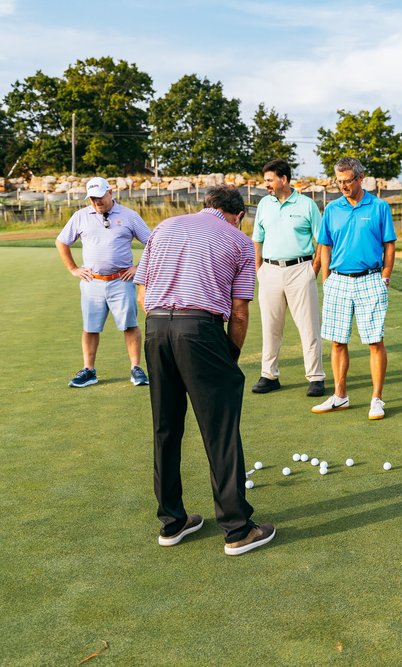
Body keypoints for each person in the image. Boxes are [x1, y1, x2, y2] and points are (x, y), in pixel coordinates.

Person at [134, 185, 275, 555]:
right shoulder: (240, 241)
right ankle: (237, 529)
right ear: (239, 215)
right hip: (200, 330)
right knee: (220, 429)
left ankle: (172, 522)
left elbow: (142, 294)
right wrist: (228, 355)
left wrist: (160, 328)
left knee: (165, 426)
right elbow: (240, 312)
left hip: (155, 327)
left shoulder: (163, 227)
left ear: (205, 205)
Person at [311, 157, 396, 420]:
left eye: (348, 181)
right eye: (339, 181)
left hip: (371, 278)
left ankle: (377, 399)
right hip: (338, 280)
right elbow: (325, 245)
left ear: (360, 178)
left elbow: (389, 244)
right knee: (337, 342)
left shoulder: (379, 207)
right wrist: (326, 277)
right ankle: (340, 396)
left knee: (374, 341)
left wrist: (385, 275)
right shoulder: (332, 209)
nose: (343, 186)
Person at [56, 177, 152, 388]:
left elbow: (153, 242)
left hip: (121, 280)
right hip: (93, 282)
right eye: (92, 198)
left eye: (100, 197)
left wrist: (138, 268)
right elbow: (62, 241)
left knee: (129, 325)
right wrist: (73, 269)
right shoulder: (80, 216)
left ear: (110, 193)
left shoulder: (129, 216)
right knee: (90, 328)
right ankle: (89, 371)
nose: (97, 202)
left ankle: (136, 368)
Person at [250, 159, 326, 397]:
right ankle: (269, 375)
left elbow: (322, 240)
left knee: (308, 326)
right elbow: (257, 238)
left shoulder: (307, 205)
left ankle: (315, 377)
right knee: (271, 327)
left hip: (300, 270)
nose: (266, 185)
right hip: (270, 272)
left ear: (283, 179)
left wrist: (314, 269)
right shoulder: (264, 204)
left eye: (270, 180)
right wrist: (258, 268)